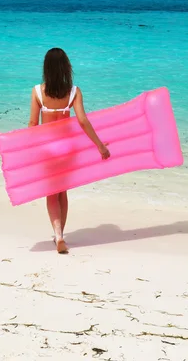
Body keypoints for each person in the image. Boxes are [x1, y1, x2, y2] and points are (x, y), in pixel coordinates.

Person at [28, 48, 111, 254]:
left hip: (47, 149)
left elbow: (32, 123)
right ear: (66, 67)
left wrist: (28, 152)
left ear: (46, 68)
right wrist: (100, 146)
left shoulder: (38, 92)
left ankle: (58, 236)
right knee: (63, 191)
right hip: (67, 148)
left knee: (51, 193)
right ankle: (61, 236)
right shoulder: (74, 92)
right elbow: (82, 120)